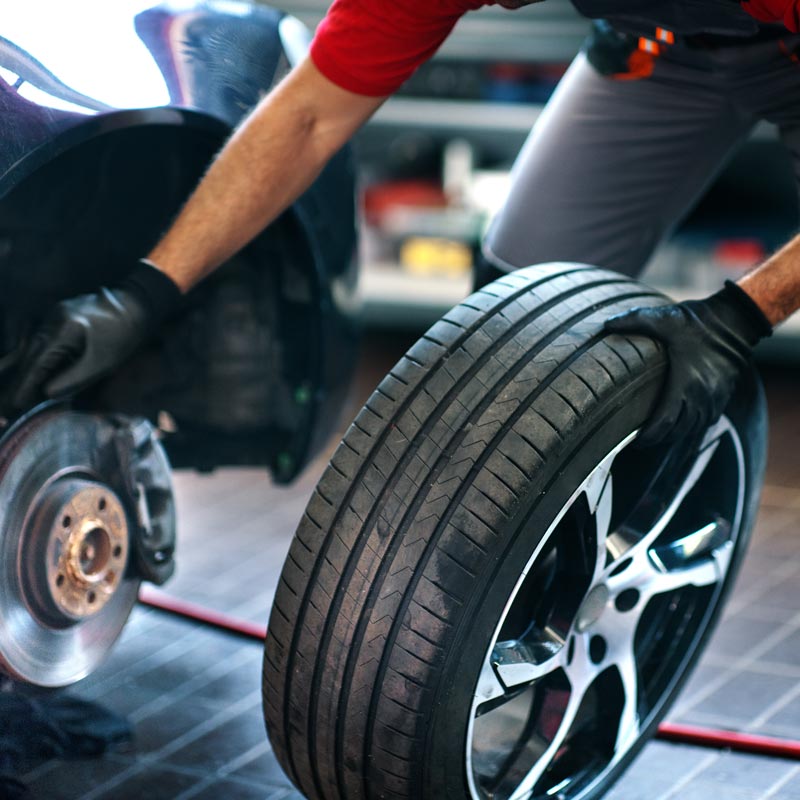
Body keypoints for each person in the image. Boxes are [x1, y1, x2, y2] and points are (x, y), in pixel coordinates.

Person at [10, 0, 800, 443]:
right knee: (518, 315)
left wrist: (738, 315)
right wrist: (145, 292)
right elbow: (309, 118)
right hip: (663, 44)